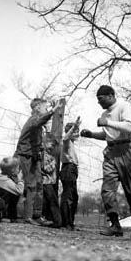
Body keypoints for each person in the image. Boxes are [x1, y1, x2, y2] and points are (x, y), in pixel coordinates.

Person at [80, 85, 131, 239]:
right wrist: (92, 135)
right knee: (107, 190)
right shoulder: (105, 114)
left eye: (101, 99)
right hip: (111, 152)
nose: (99, 103)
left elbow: (129, 127)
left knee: (130, 190)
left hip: (127, 150)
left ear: (111, 95)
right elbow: (108, 135)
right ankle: (115, 225)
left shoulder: (124, 106)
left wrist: (107, 123)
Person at [15, 98, 60, 226]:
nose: (46, 109)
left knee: (39, 184)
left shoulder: (39, 124)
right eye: (44, 107)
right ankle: (28, 216)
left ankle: (37, 215)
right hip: (27, 155)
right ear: (37, 107)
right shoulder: (34, 119)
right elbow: (39, 122)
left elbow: (38, 139)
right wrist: (53, 111)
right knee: (31, 185)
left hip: (35, 156)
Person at [59, 117, 81, 230]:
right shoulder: (67, 142)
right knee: (68, 196)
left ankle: (70, 222)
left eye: (77, 131)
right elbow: (65, 138)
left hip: (72, 170)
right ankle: (65, 223)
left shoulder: (71, 143)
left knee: (74, 197)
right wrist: (73, 127)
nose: (78, 134)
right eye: (76, 131)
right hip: (68, 169)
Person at [0, 156, 24, 223]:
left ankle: (11, 217)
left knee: (13, 192)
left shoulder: (4, 177)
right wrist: (20, 180)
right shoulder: (3, 179)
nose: (19, 170)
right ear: (12, 170)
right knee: (11, 192)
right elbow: (20, 191)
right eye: (17, 168)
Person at [41, 133, 62, 228]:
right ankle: (57, 221)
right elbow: (46, 168)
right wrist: (54, 163)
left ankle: (50, 220)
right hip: (46, 182)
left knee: (49, 201)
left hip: (50, 182)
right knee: (53, 201)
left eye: (54, 145)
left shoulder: (49, 155)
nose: (53, 147)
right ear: (45, 143)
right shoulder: (44, 156)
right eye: (52, 144)